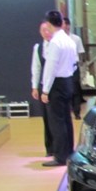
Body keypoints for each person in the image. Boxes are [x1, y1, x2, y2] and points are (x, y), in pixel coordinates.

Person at [40, 10, 77, 167]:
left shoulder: (55, 42)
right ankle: (69, 152)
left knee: (57, 121)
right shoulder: (69, 40)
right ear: (62, 23)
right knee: (66, 119)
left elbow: (51, 68)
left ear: (48, 24)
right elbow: (74, 63)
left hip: (56, 84)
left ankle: (60, 156)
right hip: (68, 81)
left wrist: (45, 90)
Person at [31, 21, 54, 156]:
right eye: (43, 30)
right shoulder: (38, 48)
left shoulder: (57, 45)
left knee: (55, 118)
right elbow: (36, 68)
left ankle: (59, 147)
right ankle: (49, 148)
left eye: (48, 29)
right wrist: (34, 86)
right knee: (45, 118)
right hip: (42, 86)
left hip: (55, 86)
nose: (46, 32)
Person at [63, 17, 86, 119]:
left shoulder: (76, 39)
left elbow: (81, 53)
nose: (65, 27)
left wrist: (82, 66)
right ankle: (67, 110)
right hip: (63, 66)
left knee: (75, 89)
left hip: (74, 65)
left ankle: (77, 111)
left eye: (67, 25)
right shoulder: (57, 40)